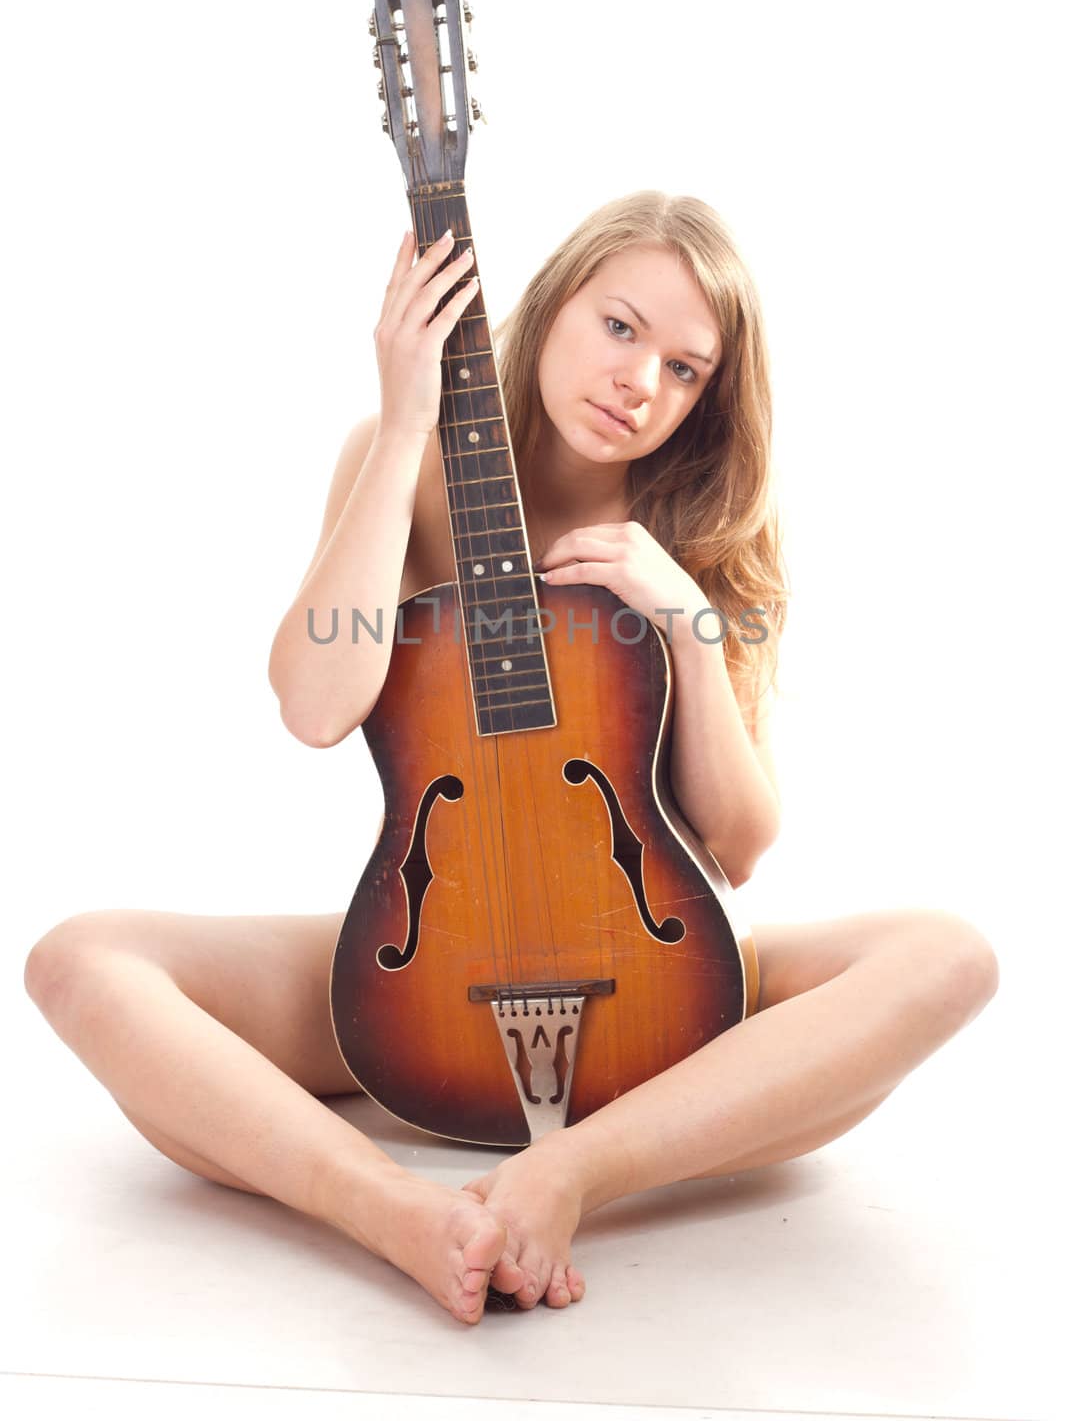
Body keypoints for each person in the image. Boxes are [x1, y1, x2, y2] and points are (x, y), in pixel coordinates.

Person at [24, 191, 999, 1328]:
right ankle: (392, 1210)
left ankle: (570, 1171)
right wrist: (398, 430)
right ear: (553, 306)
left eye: (685, 369)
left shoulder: (704, 524)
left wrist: (681, 618)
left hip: (652, 963)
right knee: (80, 961)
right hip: (427, 959)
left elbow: (735, 843)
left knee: (947, 959)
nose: (640, 381)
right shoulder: (412, 466)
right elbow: (313, 701)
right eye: (620, 326)